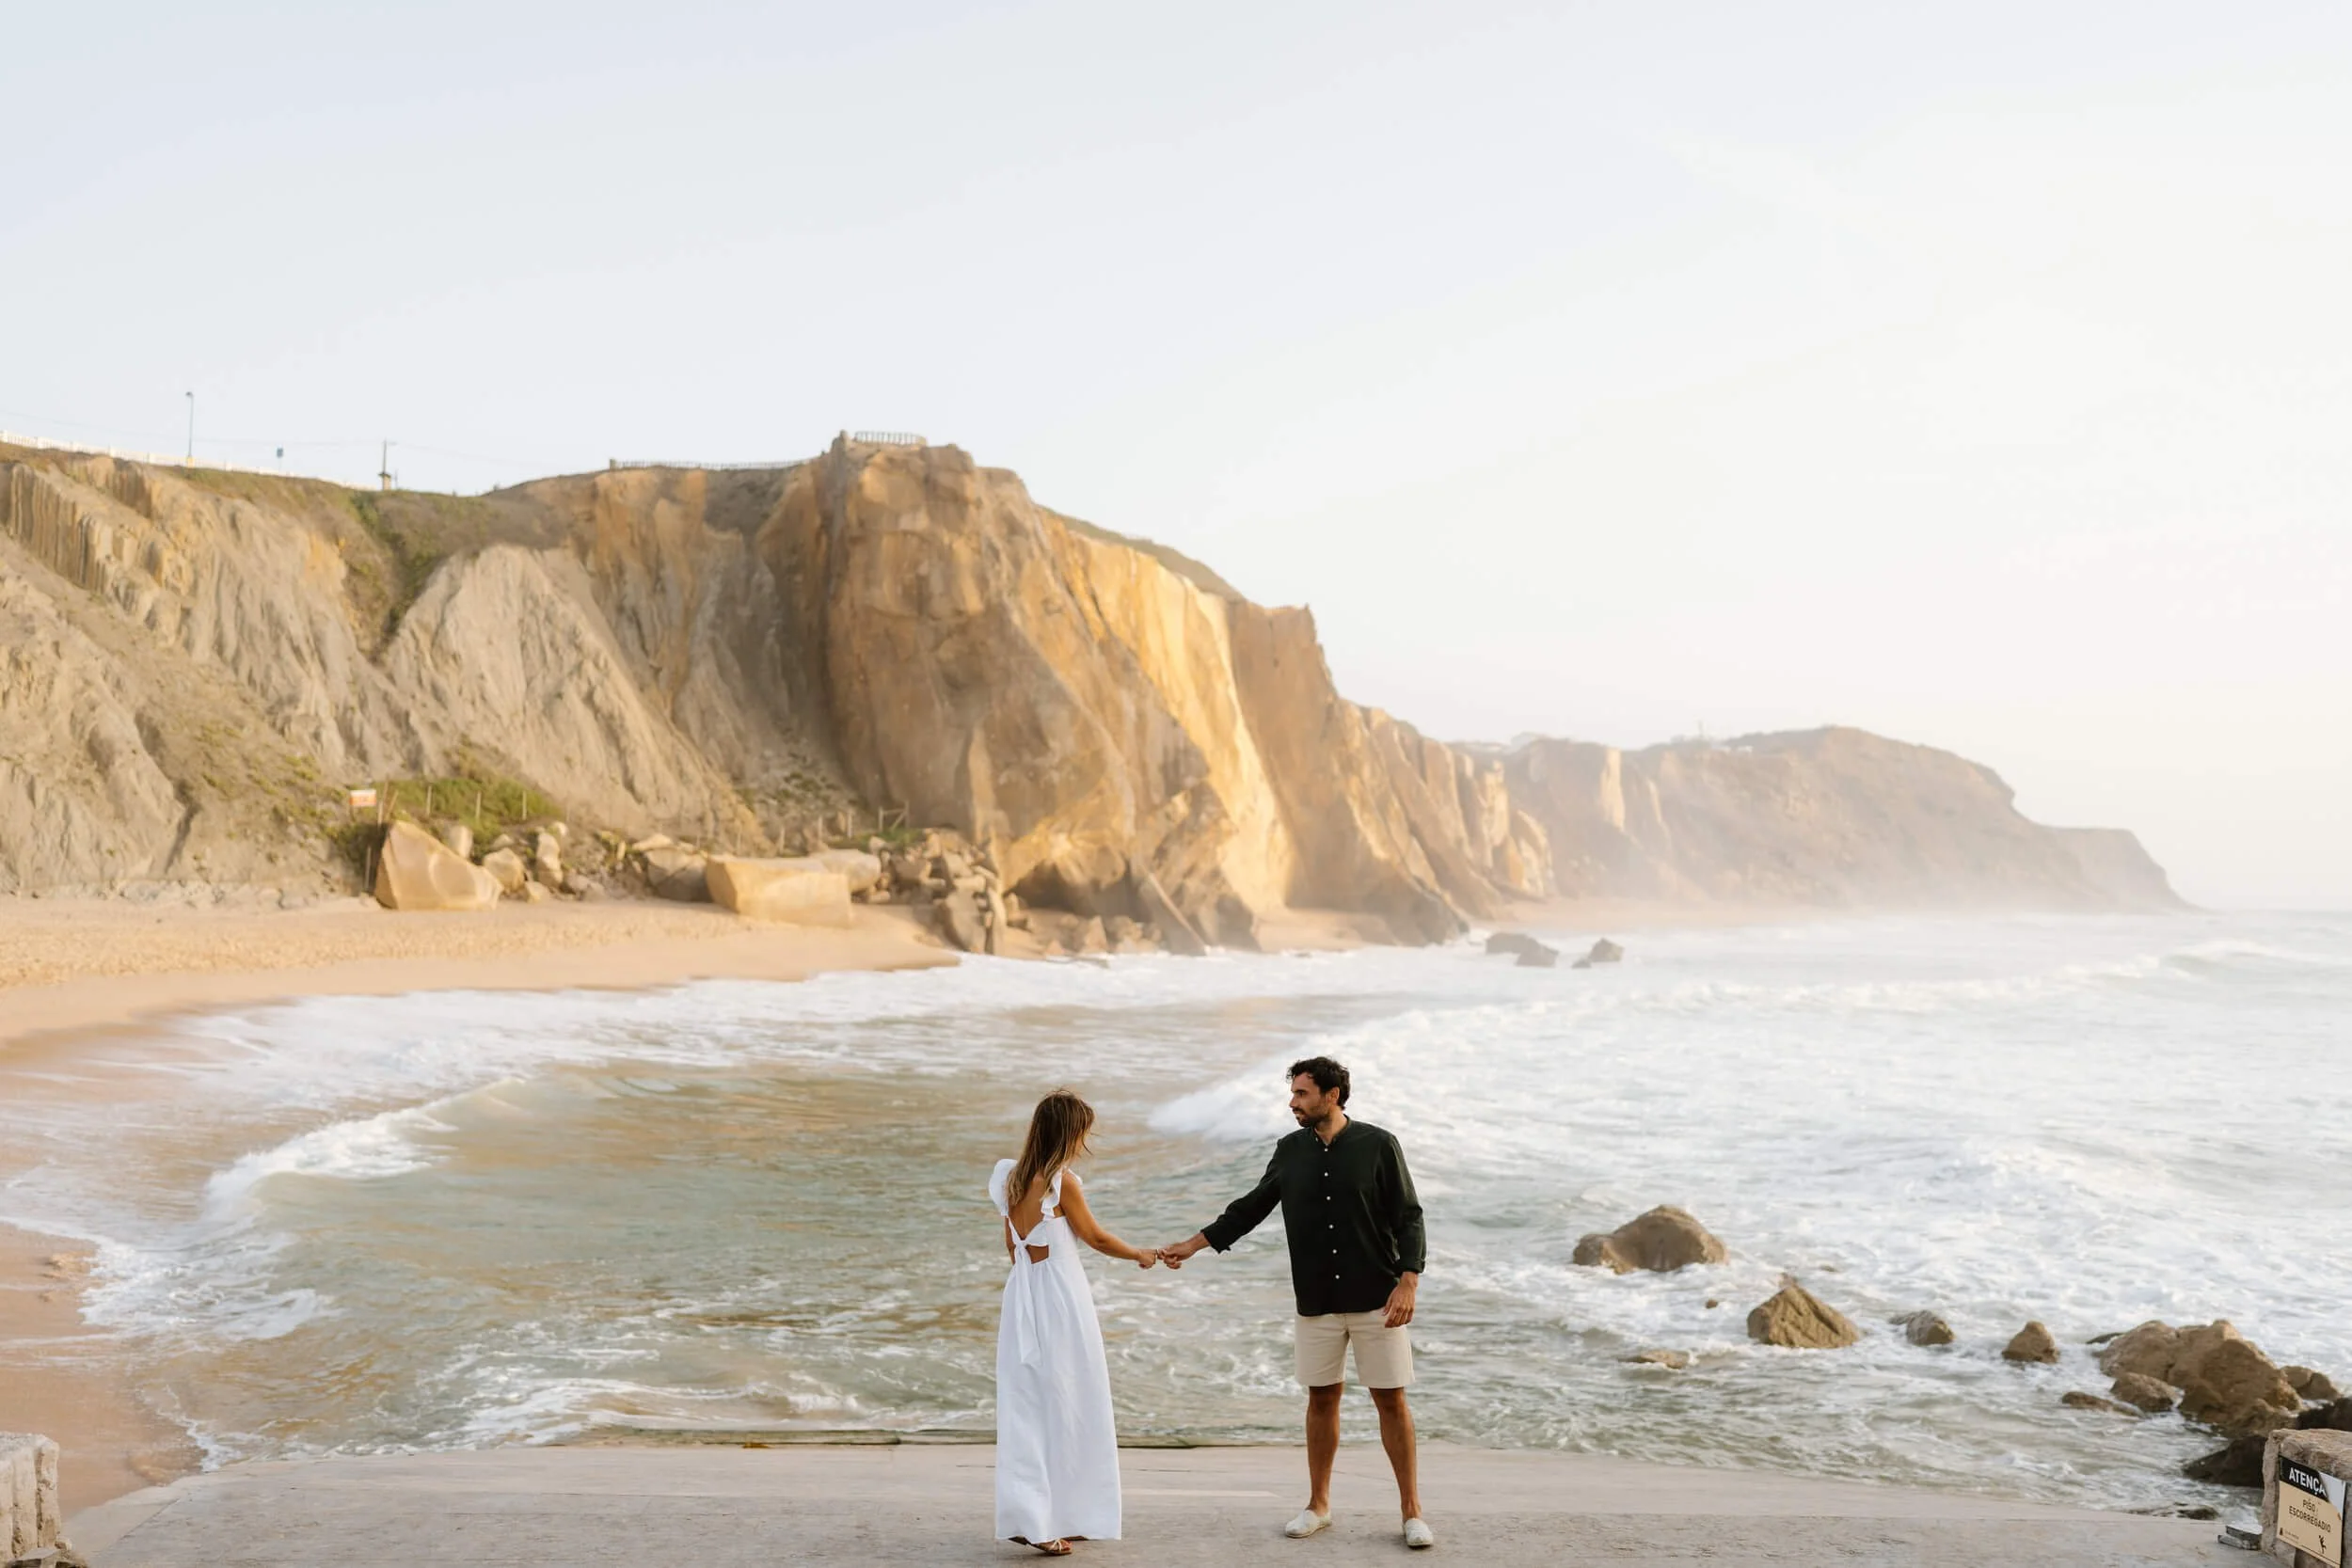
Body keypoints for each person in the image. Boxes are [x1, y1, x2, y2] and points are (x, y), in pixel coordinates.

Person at [1160, 1056, 1433, 1549]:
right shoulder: (1290, 1150)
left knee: (1390, 1399)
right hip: (1317, 1297)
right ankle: (1318, 1505)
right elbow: (1252, 1206)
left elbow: (1409, 1216)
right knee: (1321, 1398)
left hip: (1377, 1295)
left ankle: (1412, 1511)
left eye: (1302, 1094)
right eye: (1293, 1094)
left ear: (1332, 1095)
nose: (1293, 1103)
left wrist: (1409, 1279)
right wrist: (1193, 1244)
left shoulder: (1379, 1145)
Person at [990, 1089, 1160, 1556]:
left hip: (1023, 1295)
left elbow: (1012, 1247)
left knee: (1030, 1405)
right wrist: (1141, 1255)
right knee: (1070, 1399)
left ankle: (1047, 1515)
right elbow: (1097, 1239)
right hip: (1061, 1301)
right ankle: (1045, 1520)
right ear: (1070, 1134)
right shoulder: (1061, 1183)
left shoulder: (1007, 1177)